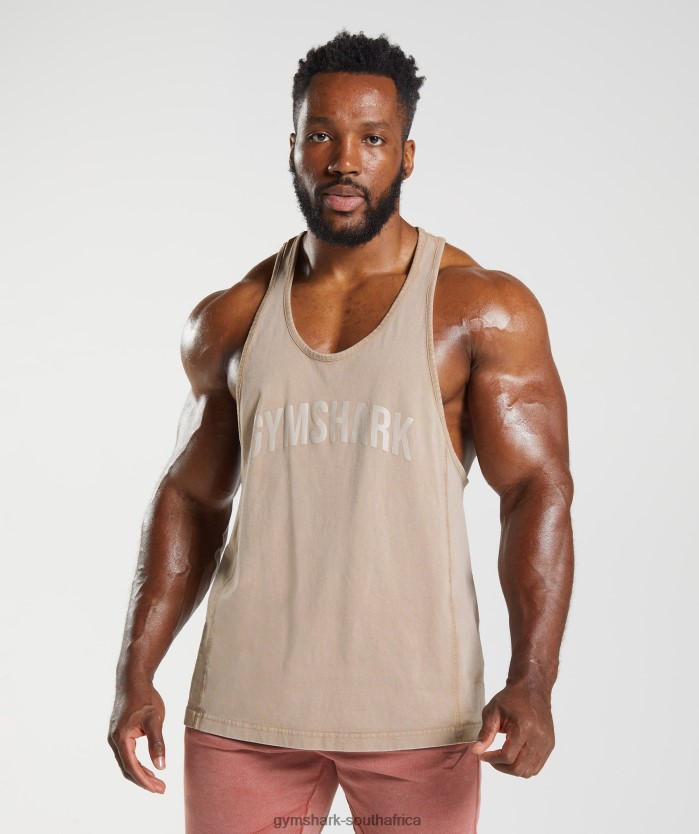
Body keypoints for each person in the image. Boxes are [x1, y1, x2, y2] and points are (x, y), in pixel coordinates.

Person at [108, 29, 574, 834]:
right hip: (245, 711)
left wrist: (533, 677)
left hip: (420, 717)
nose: (344, 161)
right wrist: (136, 671)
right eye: (321, 135)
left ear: (407, 155)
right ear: (293, 148)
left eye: (372, 139)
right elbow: (189, 495)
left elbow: (536, 488)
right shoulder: (231, 318)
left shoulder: (478, 307)